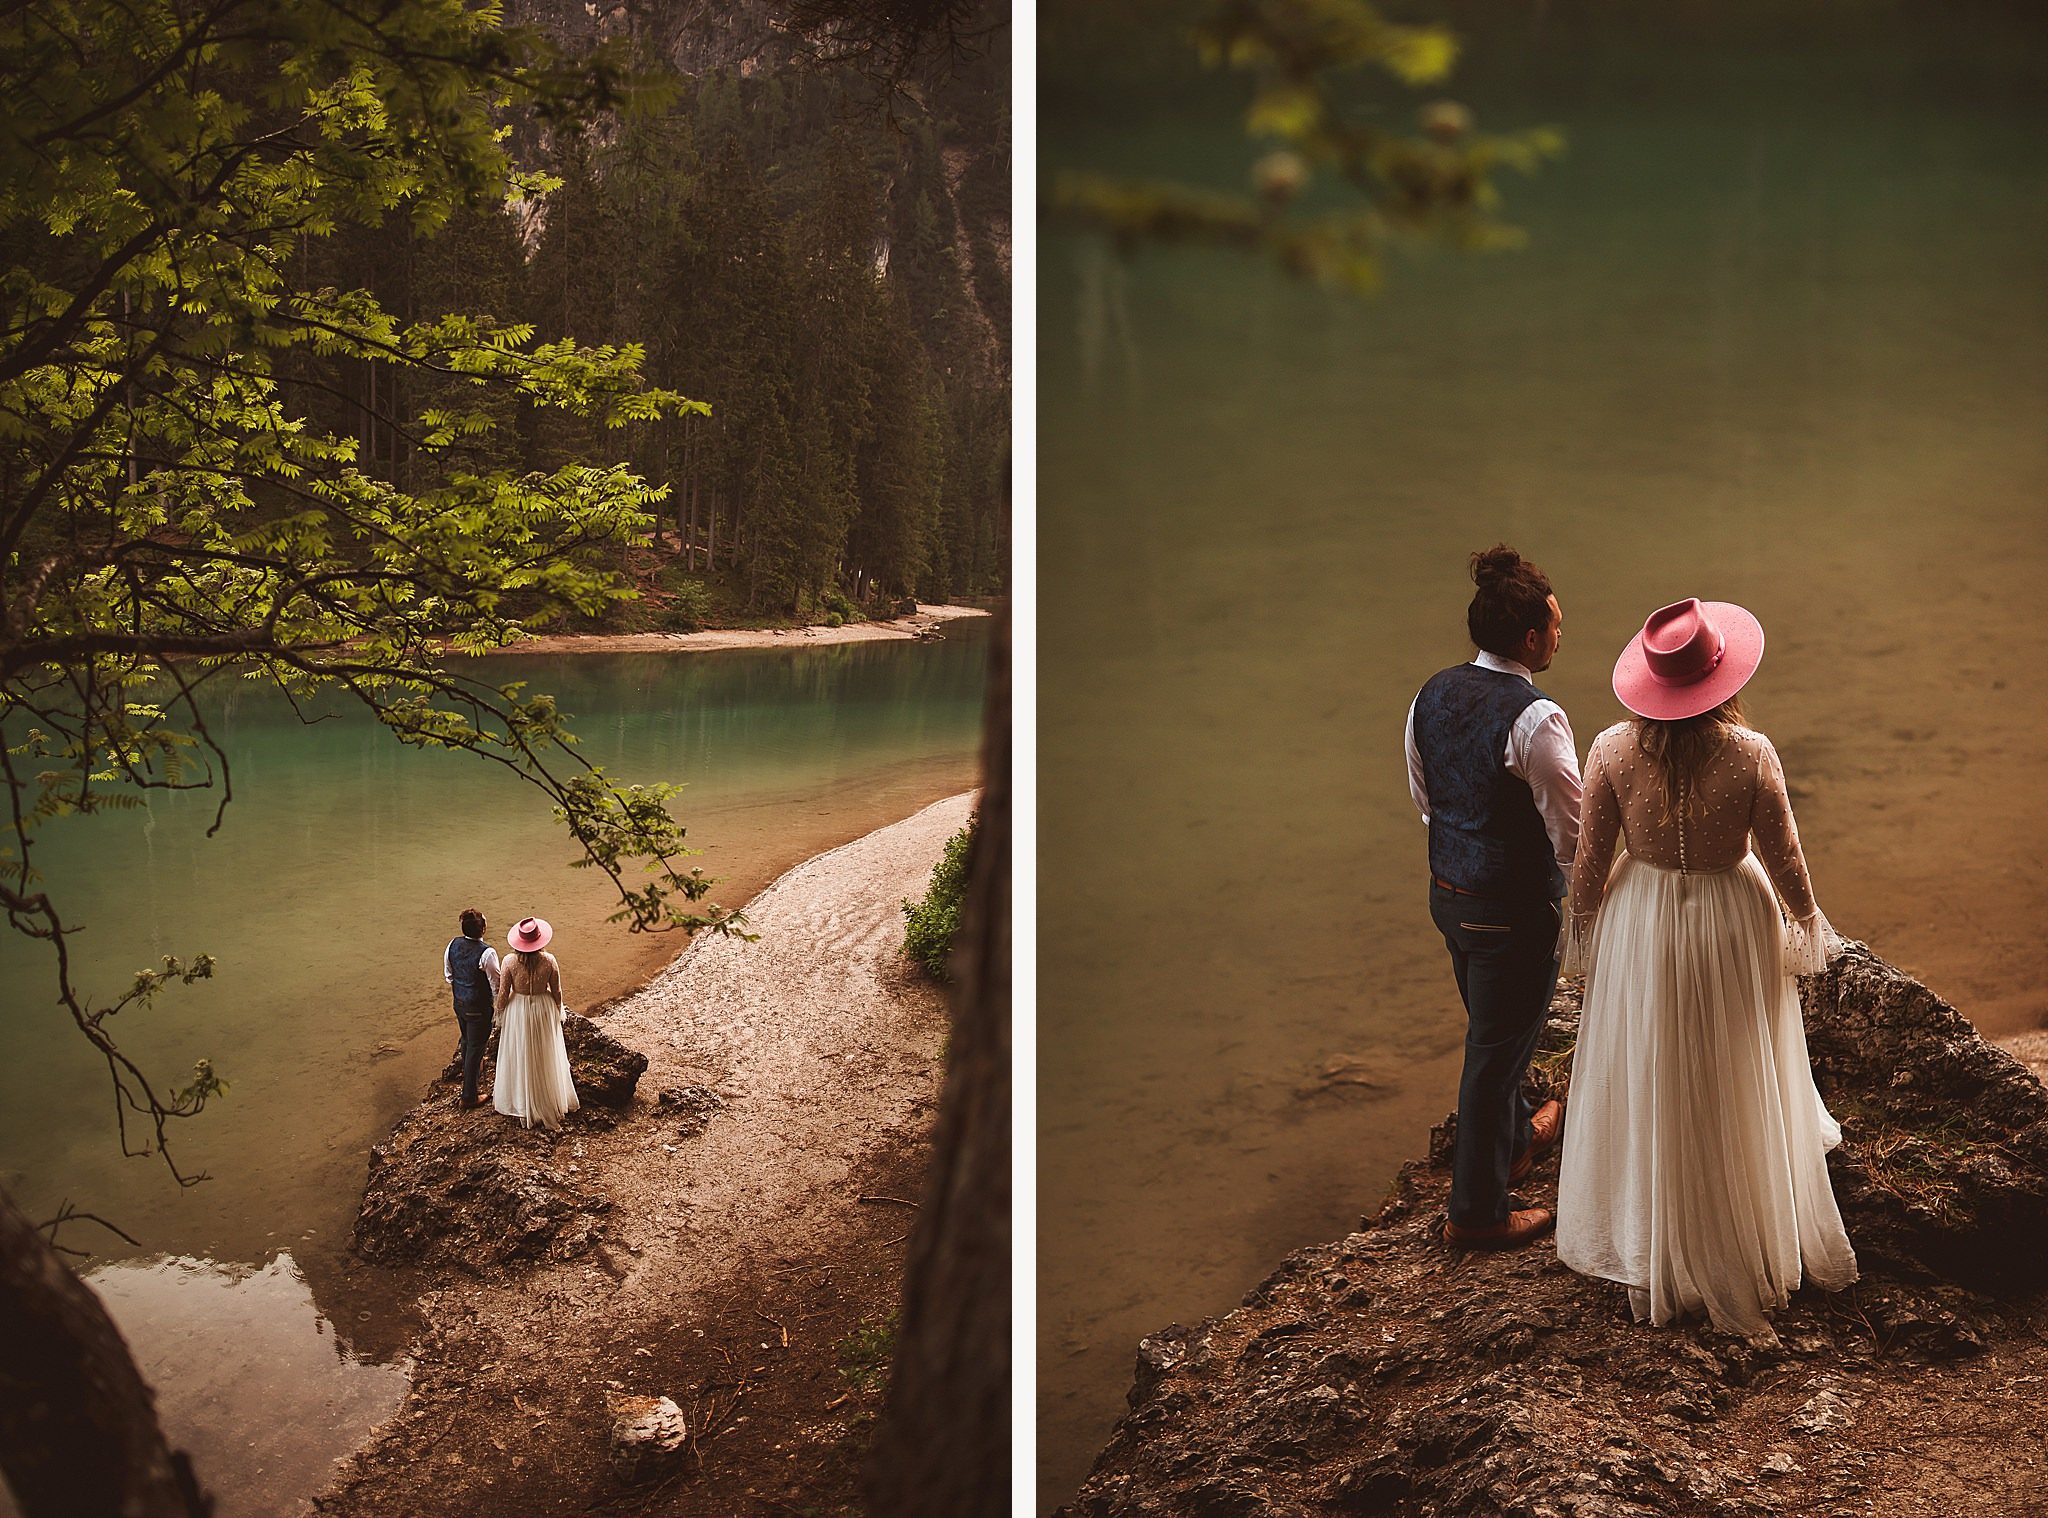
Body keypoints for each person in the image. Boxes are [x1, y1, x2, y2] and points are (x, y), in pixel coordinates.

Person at [1556, 597, 1858, 1340]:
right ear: (1720, 678)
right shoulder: (1753, 754)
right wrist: (1805, 924)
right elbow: (1786, 860)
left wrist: (1585, 934)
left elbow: (1588, 867)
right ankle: (1741, 1217)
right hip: (1731, 913)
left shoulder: (1609, 752)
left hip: (1645, 918)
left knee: (1656, 1065)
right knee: (1730, 1063)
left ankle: (1659, 1227)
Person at [1406, 545, 1579, 1249]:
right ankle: (1476, 1213)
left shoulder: (1430, 693)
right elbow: (1569, 826)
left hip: (1448, 894)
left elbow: (1426, 798)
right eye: (1557, 625)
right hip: (1510, 909)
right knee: (1491, 1055)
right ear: (1532, 639)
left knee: (1495, 1030)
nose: (1563, 635)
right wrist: (1586, 887)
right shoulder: (1536, 718)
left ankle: (1516, 1132)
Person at [492, 915, 581, 1131]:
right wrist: (558, 1010)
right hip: (543, 1007)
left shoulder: (509, 961)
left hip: (518, 1009)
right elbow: (557, 990)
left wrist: (498, 1014)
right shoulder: (549, 960)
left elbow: (503, 993)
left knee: (521, 1053)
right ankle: (545, 1098)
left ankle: (522, 1099)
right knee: (544, 1053)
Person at [443, 908, 501, 1111]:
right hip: (478, 1007)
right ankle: (469, 1096)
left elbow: (449, 974)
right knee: (476, 1046)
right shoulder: (487, 952)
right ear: (483, 929)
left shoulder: (453, 945)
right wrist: (500, 1004)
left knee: (467, 1038)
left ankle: (471, 1066)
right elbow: (496, 984)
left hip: (459, 1002)